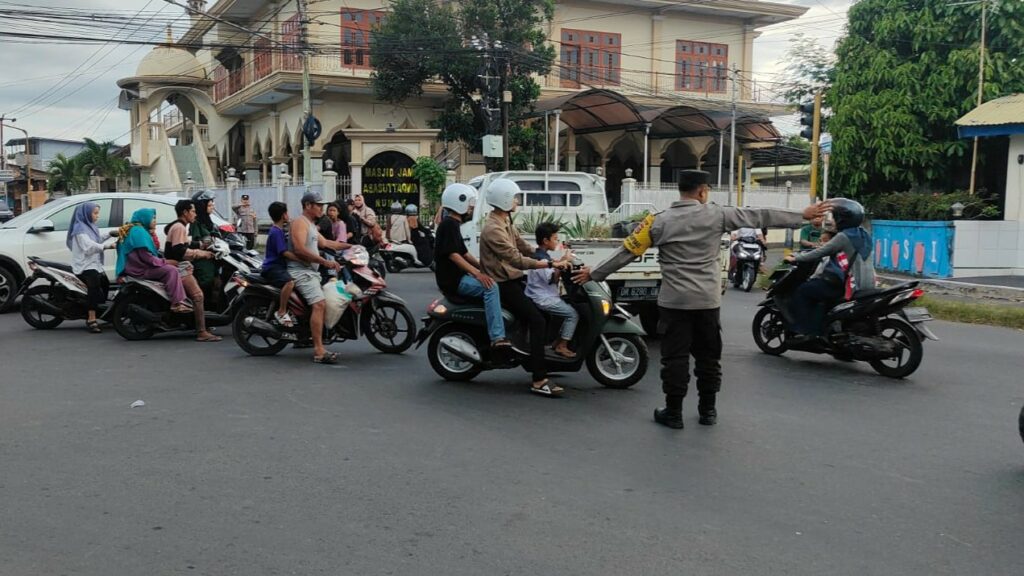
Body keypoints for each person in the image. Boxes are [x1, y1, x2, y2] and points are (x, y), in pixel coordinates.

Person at [574, 170, 829, 429]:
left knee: (675, 358)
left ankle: (673, 412)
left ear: (680, 190)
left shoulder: (657, 221)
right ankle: (708, 411)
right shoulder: (717, 214)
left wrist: (594, 273)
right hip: (707, 303)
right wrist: (801, 216)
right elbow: (758, 215)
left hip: (674, 303)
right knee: (708, 358)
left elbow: (627, 251)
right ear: (702, 191)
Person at [480, 179, 570, 398]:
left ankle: (536, 357)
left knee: (543, 315)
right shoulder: (493, 228)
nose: (517, 201)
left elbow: (523, 247)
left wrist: (549, 256)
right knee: (537, 319)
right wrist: (548, 264)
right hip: (502, 283)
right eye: (514, 198)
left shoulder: (505, 221)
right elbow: (515, 258)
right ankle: (539, 379)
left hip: (512, 278)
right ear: (504, 199)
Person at [784, 198, 875, 339]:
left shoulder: (844, 237)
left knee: (803, 291)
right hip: (866, 285)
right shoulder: (864, 234)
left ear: (842, 219)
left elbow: (820, 252)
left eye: (835, 217)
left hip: (846, 285)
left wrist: (796, 258)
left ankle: (807, 331)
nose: (832, 221)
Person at [433, 183, 509, 350]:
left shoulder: (453, 224)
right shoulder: (449, 225)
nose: (471, 208)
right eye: (470, 204)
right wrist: (478, 274)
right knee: (491, 287)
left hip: (458, 277)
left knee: (492, 281)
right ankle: (498, 337)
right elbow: (454, 255)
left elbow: (465, 254)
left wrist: (485, 267)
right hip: (454, 280)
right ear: (459, 202)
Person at [288, 192, 352, 364]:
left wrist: (353, 246)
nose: (322, 208)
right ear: (308, 205)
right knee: (319, 304)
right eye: (318, 205)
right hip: (301, 272)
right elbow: (300, 250)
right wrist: (324, 261)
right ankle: (319, 350)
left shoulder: (310, 224)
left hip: (311, 271)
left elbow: (327, 243)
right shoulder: (299, 223)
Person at [164, 199, 222, 342]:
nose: (195, 214)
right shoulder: (179, 227)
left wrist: (202, 245)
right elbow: (179, 251)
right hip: (181, 267)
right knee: (198, 296)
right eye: (193, 211)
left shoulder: (179, 226)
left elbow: (186, 243)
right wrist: (201, 253)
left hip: (182, 266)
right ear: (185, 212)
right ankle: (201, 332)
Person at [115, 208, 192, 315]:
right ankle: (177, 304)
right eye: (153, 218)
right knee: (171, 270)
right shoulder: (138, 232)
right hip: (140, 269)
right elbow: (146, 258)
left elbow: (153, 249)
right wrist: (166, 262)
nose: (155, 221)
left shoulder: (136, 230)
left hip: (135, 267)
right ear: (145, 218)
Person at [525, 221, 578, 359]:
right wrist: (563, 261)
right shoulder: (541, 258)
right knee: (572, 314)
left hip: (546, 294)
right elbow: (553, 279)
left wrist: (563, 261)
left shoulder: (543, 255)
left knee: (568, 305)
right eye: (555, 238)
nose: (557, 241)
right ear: (545, 240)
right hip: (542, 298)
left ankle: (556, 342)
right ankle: (562, 346)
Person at [67, 202, 116, 333]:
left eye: (97, 213)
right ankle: (91, 318)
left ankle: (101, 310)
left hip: (94, 264)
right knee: (94, 288)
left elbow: (96, 239)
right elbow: (88, 247)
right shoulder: (79, 230)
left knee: (105, 283)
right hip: (85, 266)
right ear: (86, 214)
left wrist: (110, 234)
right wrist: (108, 246)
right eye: (95, 213)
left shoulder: (90, 227)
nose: (97, 216)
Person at [261, 201, 297, 327]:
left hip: (278, 266)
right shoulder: (276, 231)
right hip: (273, 267)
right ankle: (281, 311)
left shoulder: (279, 230)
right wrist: (300, 259)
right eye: (286, 212)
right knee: (289, 282)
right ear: (283, 215)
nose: (288, 215)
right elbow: (284, 252)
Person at [189, 190, 220, 303]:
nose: (212, 207)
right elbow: (195, 241)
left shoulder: (208, 220)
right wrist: (205, 242)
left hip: (212, 256)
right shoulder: (196, 222)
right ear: (202, 206)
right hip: (202, 259)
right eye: (210, 205)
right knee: (206, 281)